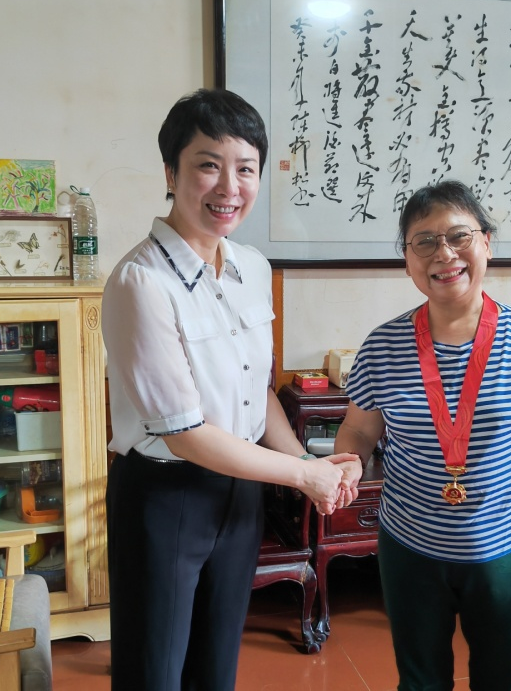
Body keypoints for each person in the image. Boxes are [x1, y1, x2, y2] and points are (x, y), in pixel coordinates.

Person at [102, 88, 362, 691]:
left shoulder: (252, 268)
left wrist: (304, 460)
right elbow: (186, 434)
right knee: (153, 672)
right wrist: (302, 475)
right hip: (166, 496)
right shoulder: (142, 281)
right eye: (208, 165)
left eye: (246, 169)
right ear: (171, 173)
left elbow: (257, 393)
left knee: (216, 668)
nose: (229, 187)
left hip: (242, 491)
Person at [334, 180, 511, 691]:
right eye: (424, 241)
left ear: (487, 244)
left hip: (509, 552)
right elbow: (359, 429)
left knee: (502, 682)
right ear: (408, 260)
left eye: (458, 236)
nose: (444, 254)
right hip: (410, 548)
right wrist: (346, 464)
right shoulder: (382, 346)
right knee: (420, 683)